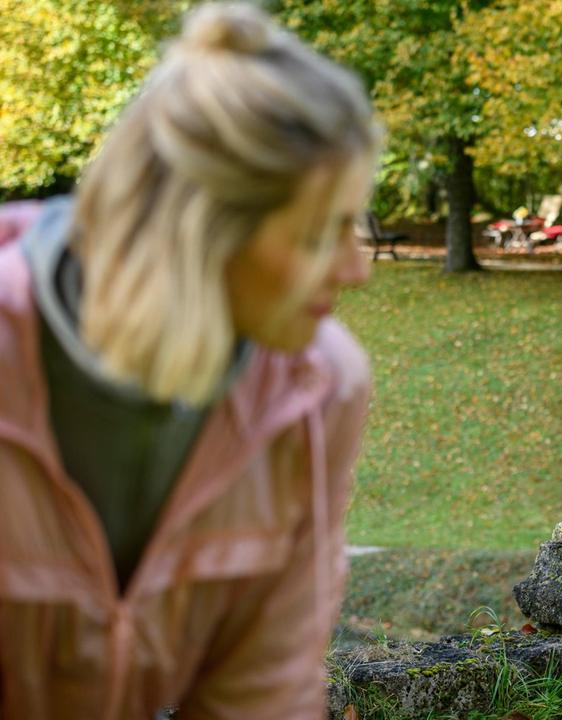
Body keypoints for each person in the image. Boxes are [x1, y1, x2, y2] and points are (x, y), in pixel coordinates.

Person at [0, 4, 379, 717]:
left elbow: (264, 699)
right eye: (319, 234)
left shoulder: (319, 389)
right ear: (201, 230)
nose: (356, 270)